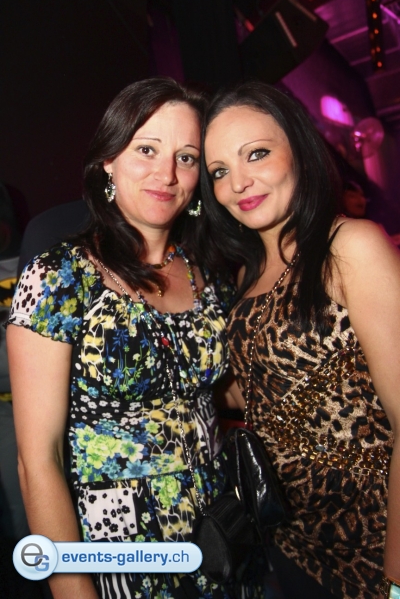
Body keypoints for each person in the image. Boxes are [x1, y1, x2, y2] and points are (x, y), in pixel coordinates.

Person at [6, 77, 262, 599]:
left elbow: (226, 391)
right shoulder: (59, 277)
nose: (166, 174)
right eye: (146, 149)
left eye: (186, 158)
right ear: (109, 159)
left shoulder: (209, 273)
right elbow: (38, 462)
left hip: (224, 539)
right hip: (122, 547)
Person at [200, 80, 400, 599]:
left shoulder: (349, 246)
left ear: (299, 150)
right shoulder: (246, 276)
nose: (238, 182)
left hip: (374, 545)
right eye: (219, 171)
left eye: (256, 154)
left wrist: (397, 574)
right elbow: (263, 393)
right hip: (291, 546)